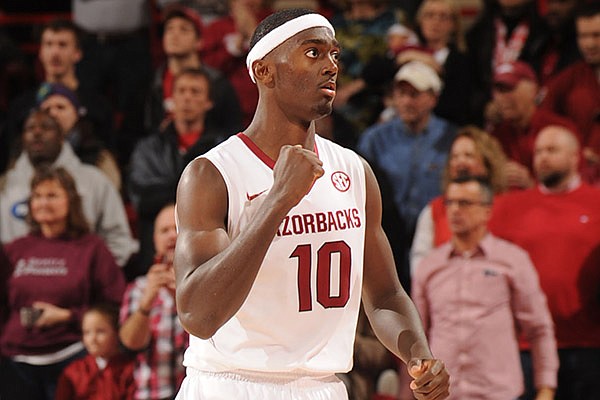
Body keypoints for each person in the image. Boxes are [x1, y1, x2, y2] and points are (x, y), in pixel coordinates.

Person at [173, 8, 450, 400]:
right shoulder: (212, 174)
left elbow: (385, 294)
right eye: (313, 53)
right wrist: (278, 201)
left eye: (335, 55)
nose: (331, 66)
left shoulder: (354, 172)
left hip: (322, 386)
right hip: (230, 383)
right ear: (264, 71)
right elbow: (198, 315)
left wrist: (418, 355)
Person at [410, 176, 558, 400]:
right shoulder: (430, 266)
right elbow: (415, 338)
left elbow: (539, 329)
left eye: (465, 203)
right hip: (443, 395)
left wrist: (546, 389)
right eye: (450, 203)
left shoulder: (512, 260)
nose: (455, 210)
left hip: (498, 392)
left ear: (487, 211)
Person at [489, 125, 600, 399]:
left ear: (576, 157)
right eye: (538, 151)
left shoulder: (597, 203)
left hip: (586, 341)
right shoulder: (507, 207)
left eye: (552, 150)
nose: (543, 157)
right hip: (525, 345)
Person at [0, 166, 126, 400]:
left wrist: (69, 316)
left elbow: (114, 304)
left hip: (71, 358)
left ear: (71, 201)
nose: (43, 202)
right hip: (15, 364)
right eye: (37, 196)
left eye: (52, 195)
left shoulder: (91, 248)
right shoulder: (15, 249)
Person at [357, 60, 456, 291]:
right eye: (401, 94)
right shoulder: (374, 139)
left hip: (435, 238)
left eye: (415, 94)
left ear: (433, 98)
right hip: (386, 238)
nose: (406, 101)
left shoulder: (451, 139)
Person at [0, 110, 138, 267]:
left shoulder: (94, 181)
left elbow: (118, 240)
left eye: (46, 127)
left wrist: (93, 274)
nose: (37, 132)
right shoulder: (5, 185)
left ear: (61, 137)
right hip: (17, 284)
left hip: (80, 286)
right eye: (30, 128)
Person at [130, 68, 230, 277]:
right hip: (154, 254)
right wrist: (194, 192)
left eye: (195, 92)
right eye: (182, 91)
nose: (187, 98)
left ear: (208, 102)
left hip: (210, 257)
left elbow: (228, 199)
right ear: (171, 98)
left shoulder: (224, 148)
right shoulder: (148, 148)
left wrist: (170, 188)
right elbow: (142, 198)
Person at [1, 19, 114, 173]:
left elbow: (108, 154)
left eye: (62, 45)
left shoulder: (98, 105)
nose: (55, 52)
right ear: (40, 52)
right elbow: (11, 157)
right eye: (49, 44)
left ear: (77, 53)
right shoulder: (21, 106)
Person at [410, 126, 507, 273]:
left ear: (488, 162)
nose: (460, 162)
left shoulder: (508, 206)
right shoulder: (434, 210)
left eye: (468, 155)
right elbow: (420, 260)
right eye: (455, 157)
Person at [119, 203, 188, 400]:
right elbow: (130, 343)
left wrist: (181, 298)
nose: (171, 236)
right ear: (154, 239)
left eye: (176, 227)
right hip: (153, 392)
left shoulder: (205, 282)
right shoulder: (139, 288)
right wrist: (147, 301)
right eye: (163, 231)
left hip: (198, 390)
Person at [144, 4, 243, 136]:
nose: (174, 35)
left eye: (183, 30)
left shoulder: (218, 84)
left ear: (199, 41)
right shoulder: (151, 83)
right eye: (169, 29)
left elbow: (232, 129)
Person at [487, 60, 579, 189]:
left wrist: (532, 185)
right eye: (499, 90)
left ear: (533, 90)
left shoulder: (560, 130)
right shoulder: (497, 135)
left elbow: (577, 181)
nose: (503, 97)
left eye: (509, 89)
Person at [540, 2, 600, 185]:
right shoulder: (566, 80)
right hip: (579, 180)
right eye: (583, 36)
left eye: (597, 35)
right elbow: (545, 124)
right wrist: (576, 153)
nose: (589, 43)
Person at [37, 82, 122, 190]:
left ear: (77, 113)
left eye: (60, 107)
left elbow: (110, 195)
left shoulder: (99, 156)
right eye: (47, 110)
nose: (53, 113)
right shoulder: (28, 155)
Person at [55, 304, 135, 400]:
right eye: (87, 332)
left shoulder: (130, 370)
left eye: (100, 331)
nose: (92, 339)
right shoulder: (74, 371)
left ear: (117, 332)